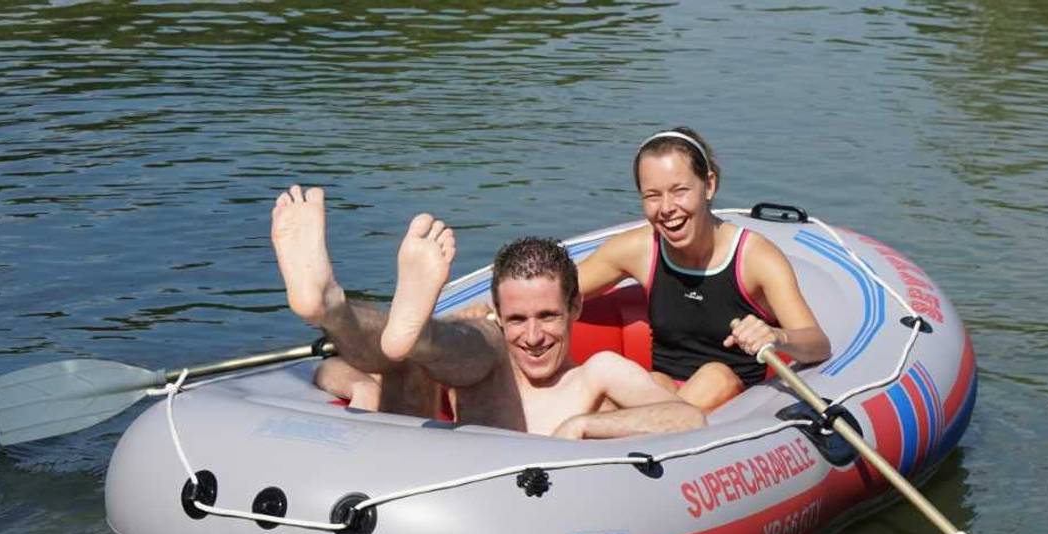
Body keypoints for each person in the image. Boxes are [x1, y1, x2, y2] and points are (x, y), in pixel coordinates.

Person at [269, 185, 706, 439]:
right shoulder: (492, 351)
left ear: (575, 306)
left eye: (547, 316)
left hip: (513, 512)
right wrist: (362, 388)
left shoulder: (598, 374)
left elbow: (688, 417)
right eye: (517, 318)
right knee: (461, 347)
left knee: (455, 346)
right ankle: (335, 309)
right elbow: (328, 370)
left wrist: (585, 424)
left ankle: (390, 326)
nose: (533, 337)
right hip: (425, 486)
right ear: (500, 310)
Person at [576, 127, 832, 411]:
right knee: (651, 380)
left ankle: (642, 427)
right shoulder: (639, 249)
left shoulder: (756, 258)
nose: (666, 208)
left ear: (709, 185)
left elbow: (818, 344)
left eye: (679, 191)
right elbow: (559, 291)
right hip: (662, 393)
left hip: (735, 408)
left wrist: (777, 336)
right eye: (652, 196)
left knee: (715, 377)